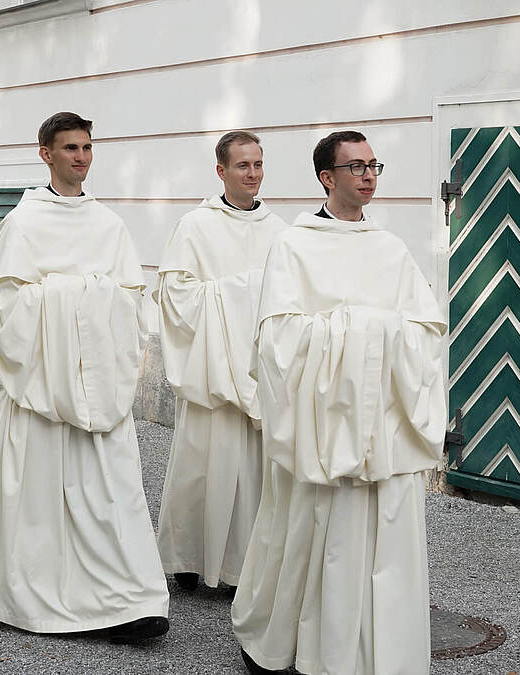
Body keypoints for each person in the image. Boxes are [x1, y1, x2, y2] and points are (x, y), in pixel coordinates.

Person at [231, 131, 447, 675]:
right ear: (327, 178)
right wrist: (359, 335)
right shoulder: (295, 247)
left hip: (384, 435)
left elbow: (425, 330)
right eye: (355, 167)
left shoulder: (391, 249)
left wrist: (369, 337)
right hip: (322, 433)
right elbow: (277, 341)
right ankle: (296, 644)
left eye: (373, 164)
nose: (368, 175)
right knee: (309, 535)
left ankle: (381, 651)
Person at [0, 112, 170, 644]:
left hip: (99, 391)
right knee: (41, 504)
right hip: (42, 393)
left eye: (87, 147)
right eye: (70, 148)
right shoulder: (23, 225)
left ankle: (131, 599)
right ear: (46, 154)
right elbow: (5, 309)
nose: (81, 156)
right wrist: (77, 299)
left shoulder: (109, 225)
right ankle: (36, 595)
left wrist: (81, 301)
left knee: (111, 494)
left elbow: (131, 301)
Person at [155, 131, 287, 593]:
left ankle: (242, 564)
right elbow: (175, 296)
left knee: (252, 473)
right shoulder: (195, 226)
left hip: (254, 369)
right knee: (201, 465)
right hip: (211, 371)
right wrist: (242, 292)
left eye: (258, 165)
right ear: (221, 171)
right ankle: (189, 558)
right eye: (242, 166)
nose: (253, 174)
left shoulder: (279, 230)